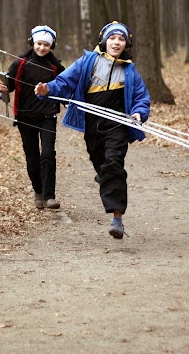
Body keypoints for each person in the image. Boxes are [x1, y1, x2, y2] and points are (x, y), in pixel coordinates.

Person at [35, 21, 151, 238]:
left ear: (126, 44)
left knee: (114, 164)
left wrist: (137, 114)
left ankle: (117, 219)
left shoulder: (130, 71)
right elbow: (64, 82)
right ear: (104, 40)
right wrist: (47, 89)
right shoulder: (87, 62)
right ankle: (105, 175)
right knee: (103, 166)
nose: (116, 42)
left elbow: (141, 99)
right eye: (113, 38)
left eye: (121, 39)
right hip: (92, 127)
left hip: (118, 126)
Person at [0, 25, 65, 210]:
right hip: (25, 117)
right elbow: (8, 85)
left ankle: (50, 196)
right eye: (39, 44)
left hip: (47, 116)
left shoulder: (55, 66)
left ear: (52, 46)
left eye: (46, 45)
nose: (42, 48)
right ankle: (38, 191)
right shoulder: (19, 63)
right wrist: (2, 87)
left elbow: (65, 86)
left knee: (48, 154)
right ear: (32, 43)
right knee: (32, 158)